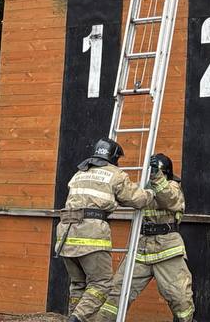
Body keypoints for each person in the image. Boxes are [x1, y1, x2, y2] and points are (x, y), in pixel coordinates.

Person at [56, 138, 176, 322]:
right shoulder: (115, 174)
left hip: (65, 235)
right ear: (113, 157)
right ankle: (76, 319)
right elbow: (137, 200)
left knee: (79, 284)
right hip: (90, 236)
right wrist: (152, 191)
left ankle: (74, 315)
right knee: (101, 284)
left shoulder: (79, 173)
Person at [91, 153, 195, 322]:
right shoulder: (143, 190)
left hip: (167, 250)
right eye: (150, 171)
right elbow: (128, 196)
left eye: (155, 171)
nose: (151, 174)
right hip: (141, 249)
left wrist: (157, 176)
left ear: (164, 173)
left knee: (180, 297)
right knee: (117, 292)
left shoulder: (173, 186)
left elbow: (169, 199)